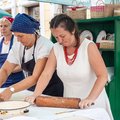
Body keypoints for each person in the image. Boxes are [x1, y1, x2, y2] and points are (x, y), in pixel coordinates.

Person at [25, 14, 113, 120]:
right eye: (56, 37)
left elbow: (102, 75)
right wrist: (35, 95)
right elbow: (46, 74)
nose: (60, 41)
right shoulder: (56, 49)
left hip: (94, 104)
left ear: (72, 31)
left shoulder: (88, 47)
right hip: (70, 104)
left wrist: (90, 98)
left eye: (62, 36)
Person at [0, 13, 63, 100]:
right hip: (31, 91)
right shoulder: (17, 46)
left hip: (50, 92)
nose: (18, 40)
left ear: (31, 32)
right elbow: (5, 70)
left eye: (20, 36)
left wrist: (11, 89)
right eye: (16, 36)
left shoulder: (44, 45)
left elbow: (35, 77)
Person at [0, 16, 25, 87]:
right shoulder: (0, 41)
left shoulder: (18, 41)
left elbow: (23, 64)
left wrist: (7, 70)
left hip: (16, 80)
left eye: (6, 26)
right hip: (2, 80)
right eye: (1, 26)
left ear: (12, 27)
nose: (2, 28)